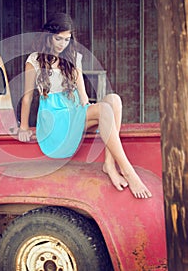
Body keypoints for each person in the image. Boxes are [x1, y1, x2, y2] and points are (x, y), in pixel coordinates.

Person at [18, 13, 152, 199]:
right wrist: (23, 127)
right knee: (105, 109)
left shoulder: (73, 57)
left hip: (73, 111)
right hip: (55, 119)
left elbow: (83, 95)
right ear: (48, 36)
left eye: (67, 39)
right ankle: (128, 170)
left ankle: (109, 163)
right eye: (58, 39)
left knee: (114, 100)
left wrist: (89, 109)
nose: (62, 44)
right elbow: (27, 97)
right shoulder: (34, 60)